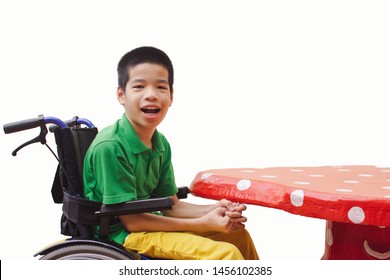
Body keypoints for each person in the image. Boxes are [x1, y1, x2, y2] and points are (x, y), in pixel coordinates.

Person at [83, 46, 259, 260]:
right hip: (123, 236)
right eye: (139, 86)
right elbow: (133, 222)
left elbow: (171, 206)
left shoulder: (160, 143)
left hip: (149, 223)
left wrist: (214, 210)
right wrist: (202, 224)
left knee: (238, 236)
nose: (151, 95)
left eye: (160, 87)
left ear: (171, 95)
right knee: (225, 255)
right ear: (121, 94)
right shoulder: (110, 146)